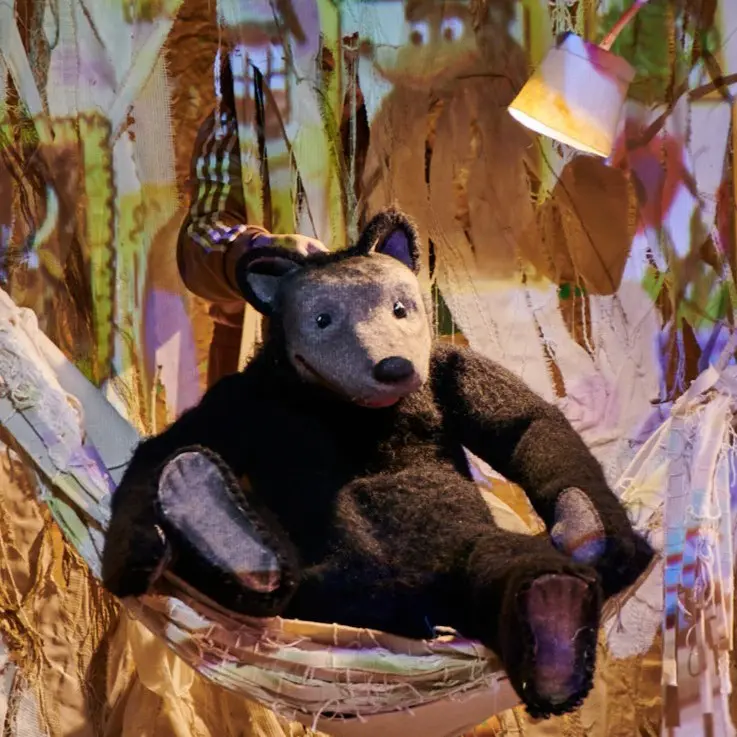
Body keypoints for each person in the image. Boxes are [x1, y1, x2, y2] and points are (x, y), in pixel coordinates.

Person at [177, 55, 328, 386]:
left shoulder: (378, 125)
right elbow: (203, 237)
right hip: (255, 349)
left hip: (363, 345)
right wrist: (264, 254)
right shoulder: (239, 125)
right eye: (329, 61)